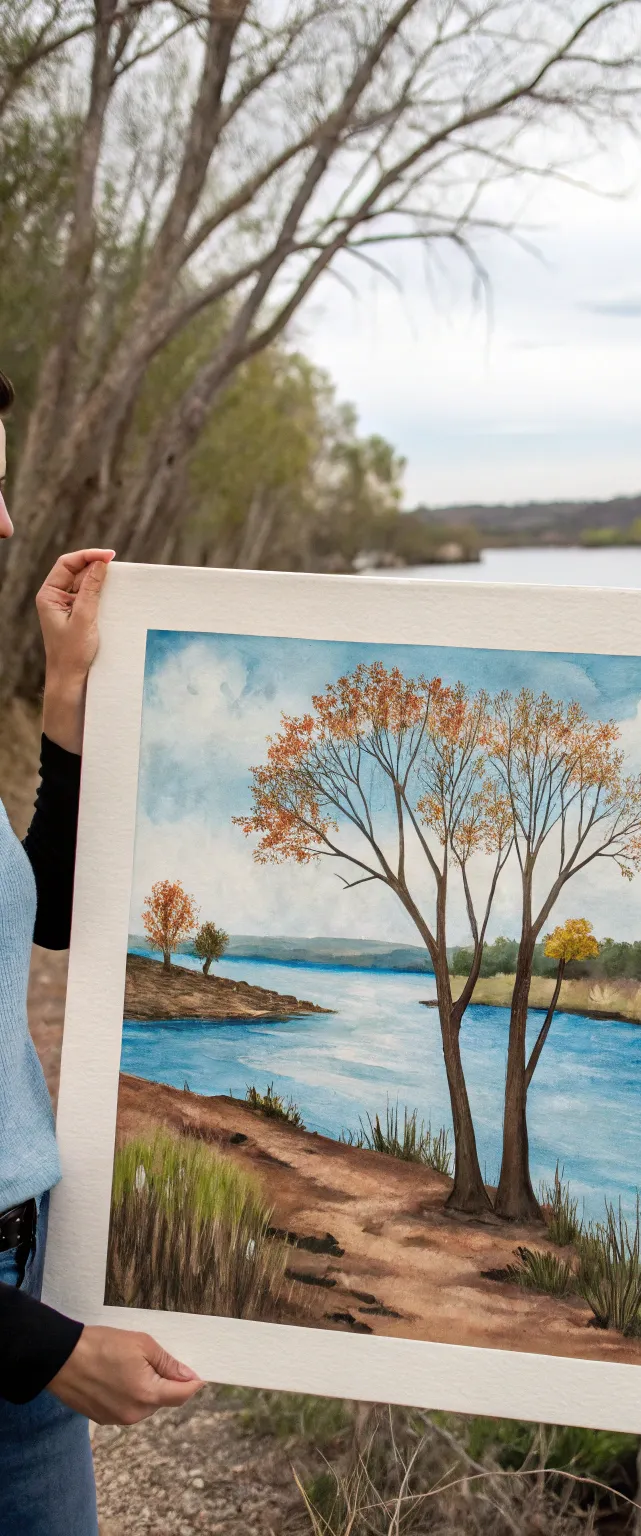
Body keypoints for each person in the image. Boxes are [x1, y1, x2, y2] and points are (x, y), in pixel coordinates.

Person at [0, 369, 204, 1534]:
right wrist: (45, 1350)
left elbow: (44, 917)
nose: (9, 523)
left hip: (27, 1288)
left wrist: (67, 696)